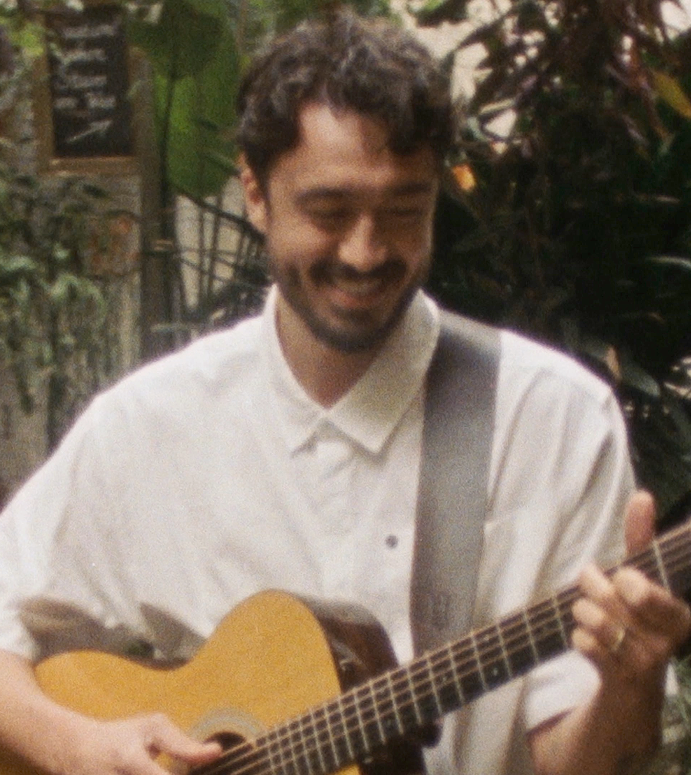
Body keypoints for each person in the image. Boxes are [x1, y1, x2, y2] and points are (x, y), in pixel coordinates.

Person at [0, 10, 689, 775]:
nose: (365, 252)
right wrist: (74, 745)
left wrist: (630, 684)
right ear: (255, 193)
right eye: (328, 212)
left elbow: (578, 761)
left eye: (403, 210)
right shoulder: (150, 424)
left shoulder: (554, 422)